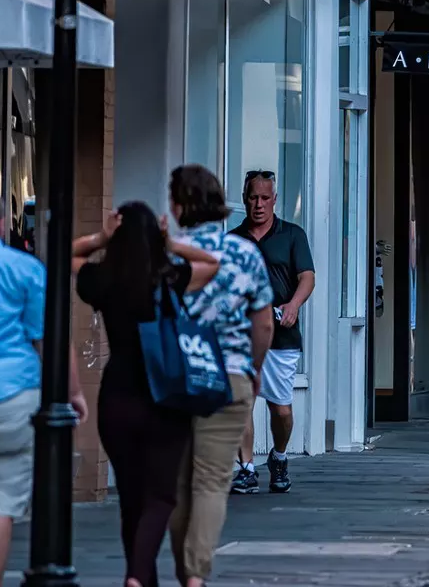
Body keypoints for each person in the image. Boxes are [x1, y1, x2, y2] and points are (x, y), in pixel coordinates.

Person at [72, 203, 219, 587]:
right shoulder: (170, 276)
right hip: (165, 396)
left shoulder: (103, 279)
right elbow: (212, 264)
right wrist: (172, 243)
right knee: (162, 496)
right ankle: (138, 576)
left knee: (132, 499)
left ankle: (141, 577)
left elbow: (69, 254)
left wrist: (101, 238)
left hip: (116, 398)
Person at [0, 189, 78, 587]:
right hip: (9, 396)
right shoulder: (24, 269)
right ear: (2, 225)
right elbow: (49, 339)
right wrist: (72, 393)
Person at [166, 165, 273, 587]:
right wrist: (255, 366)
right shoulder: (244, 252)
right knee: (212, 481)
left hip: (176, 377)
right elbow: (263, 322)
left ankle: (183, 569)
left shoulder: (167, 253)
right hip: (229, 374)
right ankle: (195, 575)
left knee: (178, 483)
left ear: (177, 206)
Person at [231, 171, 313, 495]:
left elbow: (307, 277)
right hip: (242, 335)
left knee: (280, 408)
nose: (259, 204)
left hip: (281, 334)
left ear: (275, 200)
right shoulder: (233, 240)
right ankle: (247, 469)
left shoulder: (292, 235)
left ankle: (278, 457)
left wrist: (293, 305)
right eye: (254, 198)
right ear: (245, 199)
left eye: (265, 198)